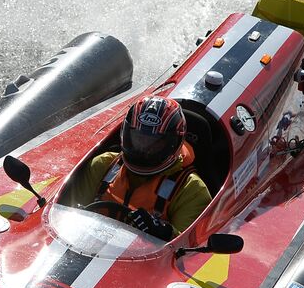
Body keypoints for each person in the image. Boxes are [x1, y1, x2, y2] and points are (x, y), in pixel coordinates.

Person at [65, 95, 211, 239]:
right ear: (126, 135)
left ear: (173, 143)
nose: (143, 149)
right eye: (138, 138)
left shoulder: (192, 190)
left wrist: (164, 233)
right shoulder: (102, 165)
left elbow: (187, 250)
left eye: (154, 142)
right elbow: (68, 214)